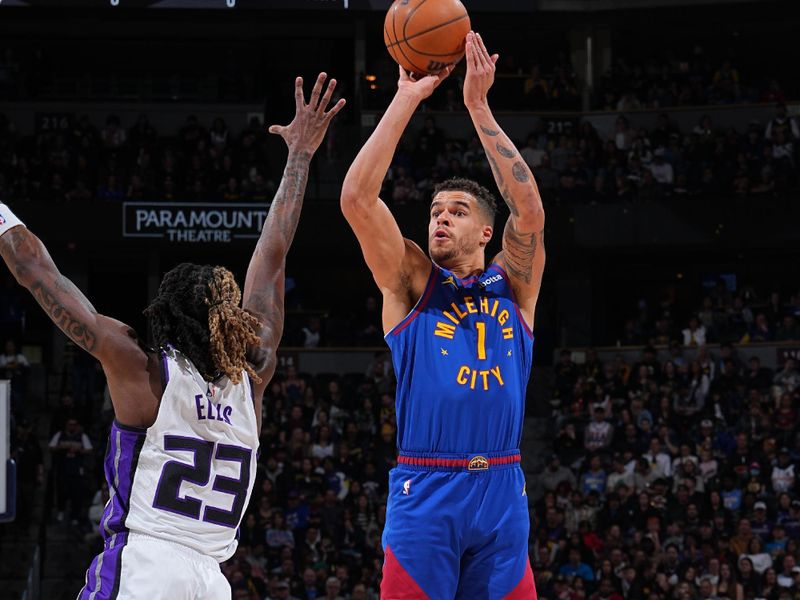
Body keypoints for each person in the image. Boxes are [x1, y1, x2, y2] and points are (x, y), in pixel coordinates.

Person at [0, 73, 344, 599]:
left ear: (167, 315)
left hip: (145, 566)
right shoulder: (253, 375)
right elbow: (271, 256)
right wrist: (300, 156)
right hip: (211, 579)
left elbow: (36, 269)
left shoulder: (143, 369)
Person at [341, 32, 544, 598]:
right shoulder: (411, 282)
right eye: (434, 210)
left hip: (503, 489)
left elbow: (528, 209)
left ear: (486, 231)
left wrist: (479, 107)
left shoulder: (515, 283)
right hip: (427, 486)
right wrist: (406, 98)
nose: (441, 219)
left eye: (457, 211)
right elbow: (357, 200)